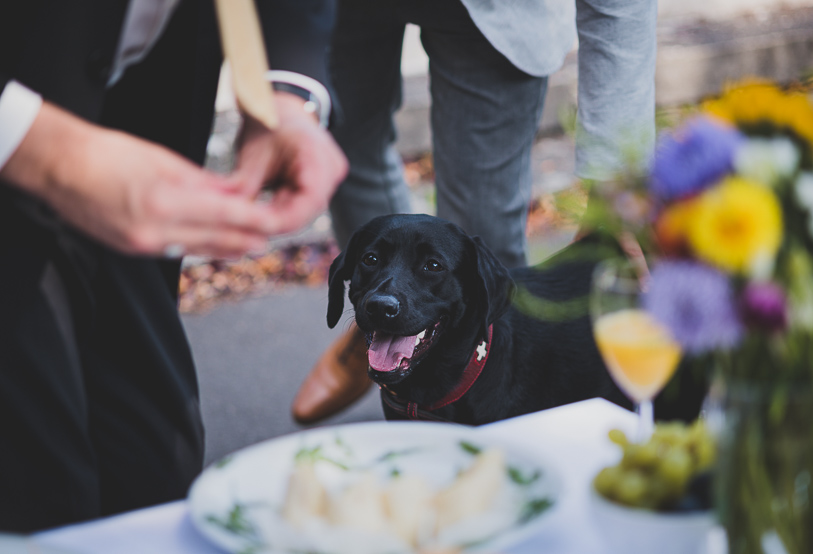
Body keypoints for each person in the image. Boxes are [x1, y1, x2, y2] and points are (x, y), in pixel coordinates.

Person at [0, 0, 346, 533]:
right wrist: (45, 150)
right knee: (40, 489)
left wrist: (284, 94)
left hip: (146, 125)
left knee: (155, 462)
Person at [291, 0, 658, 423]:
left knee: (485, 235)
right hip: (341, 8)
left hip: (492, 13)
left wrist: (613, 181)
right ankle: (385, 334)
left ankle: (487, 398)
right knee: (339, 157)